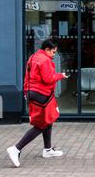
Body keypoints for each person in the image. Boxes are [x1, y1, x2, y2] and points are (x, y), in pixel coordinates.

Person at [6, 39, 69, 168]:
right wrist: (61, 75)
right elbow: (48, 79)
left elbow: (27, 76)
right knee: (41, 125)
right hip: (42, 95)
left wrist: (25, 92)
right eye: (53, 52)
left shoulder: (33, 57)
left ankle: (47, 150)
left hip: (33, 93)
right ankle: (16, 149)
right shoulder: (45, 60)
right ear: (47, 49)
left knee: (49, 119)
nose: (54, 55)